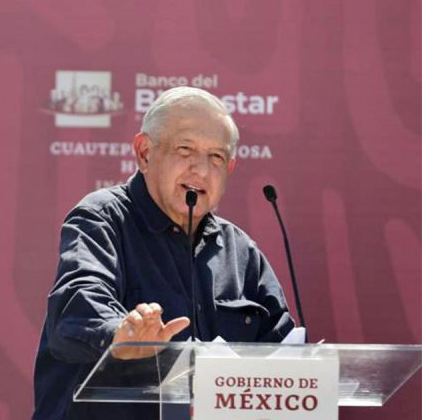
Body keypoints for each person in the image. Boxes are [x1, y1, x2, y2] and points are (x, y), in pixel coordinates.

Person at [32, 86, 295, 419]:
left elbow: (285, 354)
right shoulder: (102, 219)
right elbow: (77, 306)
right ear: (144, 153)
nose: (201, 170)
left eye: (216, 157)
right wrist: (121, 334)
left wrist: (303, 372)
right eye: (185, 150)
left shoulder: (241, 252)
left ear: (229, 169)